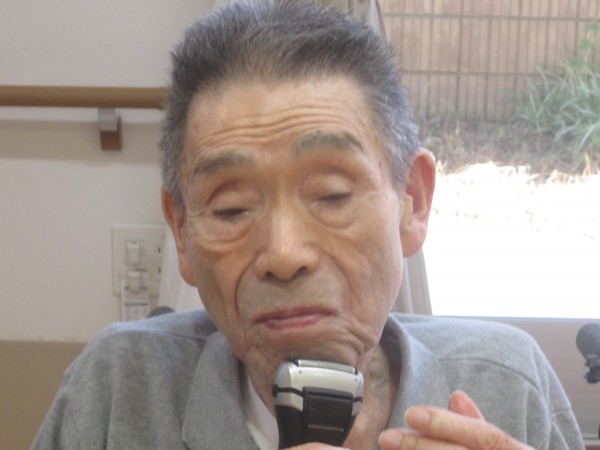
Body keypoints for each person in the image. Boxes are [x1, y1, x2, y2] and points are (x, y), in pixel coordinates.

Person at [32, 1, 584, 449]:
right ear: (180, 231)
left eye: (332, 195)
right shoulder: (116, 391)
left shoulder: (509, 385)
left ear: (412, 202)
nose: (284, 253)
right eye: (231, 209)